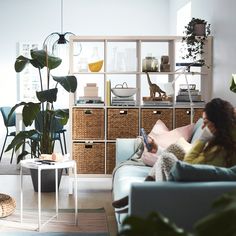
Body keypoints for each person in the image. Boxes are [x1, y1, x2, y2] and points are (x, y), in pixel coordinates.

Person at [112, 98, 236, 209]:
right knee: (176, 148)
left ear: (218, 124)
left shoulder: (221, 150)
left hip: (191, 188)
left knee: (166, 159)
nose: (203, 127)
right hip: (193, 178)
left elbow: (188, 166)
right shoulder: (220, 140)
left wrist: (202, 140)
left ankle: (143, 197)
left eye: (206, 122)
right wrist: (158, 149)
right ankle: (141, 192)